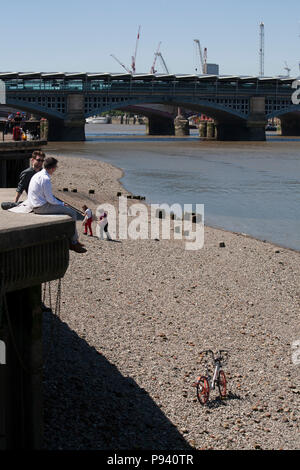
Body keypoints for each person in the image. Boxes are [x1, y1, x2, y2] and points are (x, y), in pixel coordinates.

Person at [27, 156, 86, 254]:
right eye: (55, 167)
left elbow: (47, 197)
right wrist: (62, 204)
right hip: (41, 207)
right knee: (72, 213)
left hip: (35, 204)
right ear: (53, 168)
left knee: (66, 209)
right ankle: (74, 242)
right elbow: (50, 200)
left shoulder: (38, 175)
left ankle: (75, 240)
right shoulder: (46, 179)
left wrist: (60, 203)